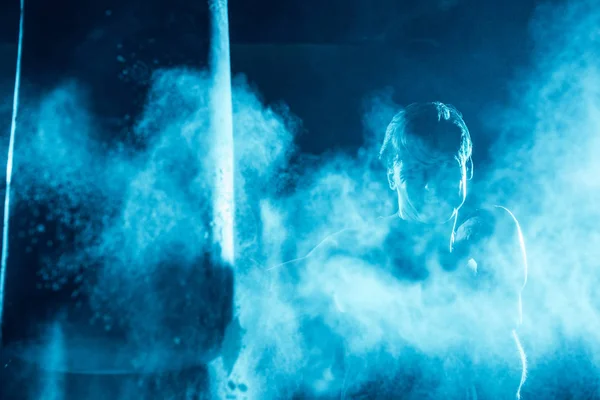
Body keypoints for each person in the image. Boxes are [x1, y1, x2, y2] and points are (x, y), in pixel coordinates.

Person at [274, 102, 528, 399]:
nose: (432, 187)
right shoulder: (356, 250)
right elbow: (268, 285)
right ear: (392, 176)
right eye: (416, 172)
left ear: (467, 168)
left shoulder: (492, 231)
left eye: (446, 168)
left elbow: (503, 343)